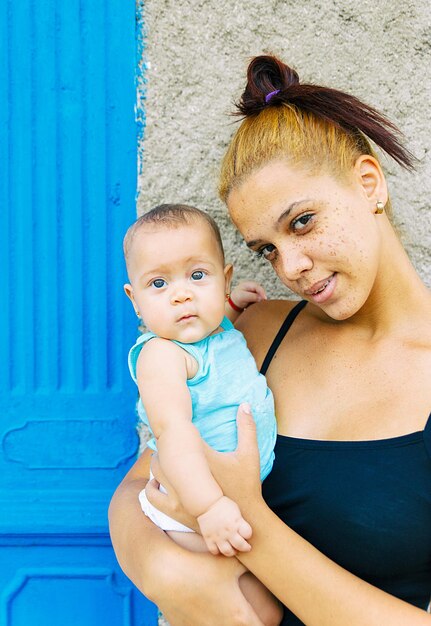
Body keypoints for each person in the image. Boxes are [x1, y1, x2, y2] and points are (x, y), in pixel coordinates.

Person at [109, 55, 431, 626]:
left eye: (301, 222)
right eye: (266, 249)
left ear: (369, 183)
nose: (293, 267)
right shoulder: (253, 334)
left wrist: (249, 524)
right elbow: (142, 482)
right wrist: (174, 577)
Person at [122, 203, 281, 626]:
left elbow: (211, 350)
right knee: (255, 611)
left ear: (223, 278)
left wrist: (229, 309)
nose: (182, 294)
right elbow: (173, 434)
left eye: (198, 276)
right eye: (158, 283)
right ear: (134, 300)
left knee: (264, 607)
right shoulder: (161, 355)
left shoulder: (214, 332)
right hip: (192, 504)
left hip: (229, 499)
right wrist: (207, 508)